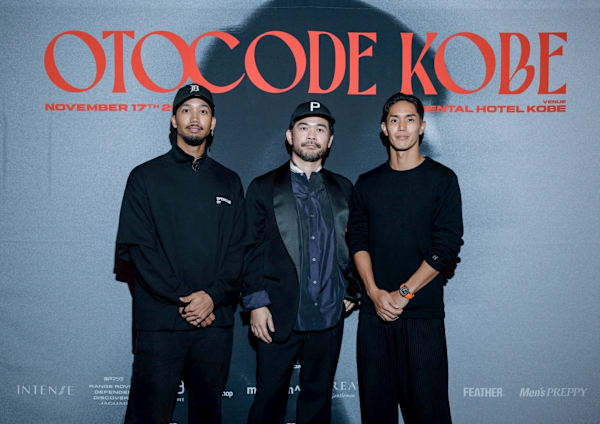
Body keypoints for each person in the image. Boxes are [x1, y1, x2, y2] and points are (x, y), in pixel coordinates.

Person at [115, 84, 245, 424]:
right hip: (161, 324)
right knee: (147, 417)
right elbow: (139, 251)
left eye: (203, 111)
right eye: (186, 110)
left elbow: (238, 251)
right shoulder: (144, 177)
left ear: (213, 123)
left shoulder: (229, 182)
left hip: (213, 324)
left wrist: (212, 298)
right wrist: (189, 301)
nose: (194, 117)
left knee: (208, 416)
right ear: (174, 120)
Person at [348, 92, 463, 424]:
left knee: (429, 415)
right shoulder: (367, 184)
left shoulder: (442, 180)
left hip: (422, 316)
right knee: (376, 414)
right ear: (384, 128)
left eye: (410, 120)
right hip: (374, 317)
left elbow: (447, 245)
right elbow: (357, 241)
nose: (402, 127)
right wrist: (373, 293)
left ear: (422, 127)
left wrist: (404, 294)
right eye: (394, 120)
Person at [242, 101, 360, 424]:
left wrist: (352, 290)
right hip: (276, 314)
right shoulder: (263, 188)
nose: (311, 136)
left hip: (328, 315)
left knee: (317, 404)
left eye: (320, 129)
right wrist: (256, 302)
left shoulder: (344, 189)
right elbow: (249, 249)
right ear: (289, 136)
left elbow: (357, 244)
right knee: (268, 402)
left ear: (330, 140)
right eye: (304, 128)